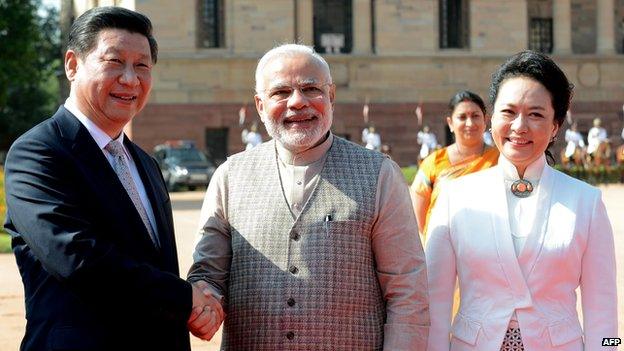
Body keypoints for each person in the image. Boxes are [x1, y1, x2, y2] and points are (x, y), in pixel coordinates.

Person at [3, 7, 221, 350]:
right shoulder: (38, 153)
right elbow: (77, 257)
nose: (131, 79)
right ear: (73, 65)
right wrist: (184, 297)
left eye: (142, 66)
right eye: (115, 62)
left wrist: (192, 303)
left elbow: (155, 265)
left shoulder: (146, 164)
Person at [188, 43, 430, 349]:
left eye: (310, 88)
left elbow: (407, 289)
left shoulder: (379, 174)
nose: (297, 102)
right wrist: (203, 303)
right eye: (281, 92)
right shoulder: (230, 176)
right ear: (260, 105)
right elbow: (208, 273)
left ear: (330, 96)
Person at [426, 51, 617, 350]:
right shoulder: (454, 197)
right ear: (491, 120)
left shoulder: (587, 202)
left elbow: (604, 309)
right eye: (508, 112)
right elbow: (434, 303)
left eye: (536, 114)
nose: (519, 126)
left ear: (555, 126)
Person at [410, 90, 498, 240]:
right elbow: (419, 220)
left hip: (491, 247)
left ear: (485, 120)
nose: (469, 123)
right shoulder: (433, 162)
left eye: (475, 116)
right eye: (462, 117)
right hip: (441, 249)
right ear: (450, 123)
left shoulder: (501, 159)